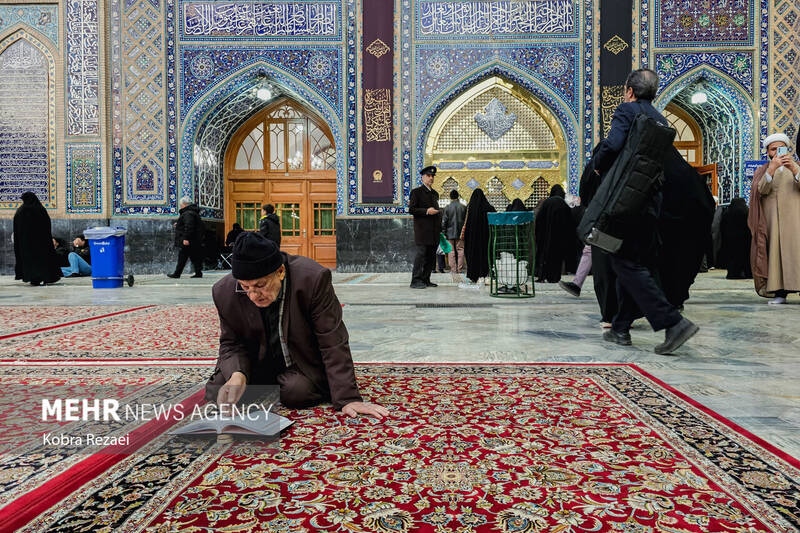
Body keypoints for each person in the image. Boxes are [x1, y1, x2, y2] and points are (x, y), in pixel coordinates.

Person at [206, 232, 389, 419]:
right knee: (219, 389)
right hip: (256, 362)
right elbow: (231, 343)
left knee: (297, 393)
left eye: (260, 285)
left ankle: (282, 384)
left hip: (299, 361)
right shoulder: (224, 292)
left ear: (280, 272)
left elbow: (332, 338)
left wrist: (347, 398)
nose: (253, 296)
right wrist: (238, 374)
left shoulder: (312, 279)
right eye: (245, 288)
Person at [593, 68, 698, 355]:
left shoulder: (627, 111)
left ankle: (673, 322)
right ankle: (621, 328)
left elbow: (612, 145)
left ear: (629, 91)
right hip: (651, 203)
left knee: (624, 262)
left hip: (627, 202)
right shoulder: (661, 118)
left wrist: (598, 164)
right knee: (634, 262)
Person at [748, 133, 800, 304]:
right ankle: (780, 293)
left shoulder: (796, 166)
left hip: (795, 221)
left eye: (781, 148)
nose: (777, 152)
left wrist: (795, 170)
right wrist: (771, 169)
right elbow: (761, 190)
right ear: (768, 152)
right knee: (776, 257)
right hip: (773, 223)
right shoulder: (762, 170)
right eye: (773, 149)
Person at [13, 192, 61, 286]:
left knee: (30, 262)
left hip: (26, 244)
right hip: (41, 243)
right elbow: (47, 226)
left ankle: (33, 278)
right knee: (42, 260)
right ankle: (45, 277)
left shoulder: (21, 211)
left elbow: (17, 229)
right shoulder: (40, 209)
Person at [534, 184, 575, 283]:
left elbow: (539, 220)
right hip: (560, 237)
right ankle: (554, 277)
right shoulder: (564, 204)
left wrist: (539, 234)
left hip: (545, 236)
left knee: (545, 254)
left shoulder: (547, 202)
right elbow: (569, 223)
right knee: (557, 256)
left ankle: (542, 275)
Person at [408, 166, 441, 289]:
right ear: (423, 177)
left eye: (432, 176)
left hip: (434, 231)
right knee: (421, 255)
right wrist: (426, 211)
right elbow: (412, 209)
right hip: (422, 230)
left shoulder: (434, 193)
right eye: (428, 175)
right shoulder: (416, 192)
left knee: (431, 257)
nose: (431, 178)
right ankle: (415, 280)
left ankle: (426, 279)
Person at [462, 188, 496, 285]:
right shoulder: (488, 208)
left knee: (474, 255)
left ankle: (474, 275)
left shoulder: (470, 208)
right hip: (486, 239)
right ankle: (486, 274)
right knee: (485, 255)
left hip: (473, 240)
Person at [168, 197, 204, 279]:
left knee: (182, 257)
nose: (180, 206)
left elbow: (189, 226)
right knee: (194, 257)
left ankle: (177, 274)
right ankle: (198, 273)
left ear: (184, 204)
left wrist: (186, 238)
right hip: (194, 239)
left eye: (181, 205)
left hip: (188, 240)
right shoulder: (193, 212)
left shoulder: (187, 213)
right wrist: (179, 224)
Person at [720, 198, 752, 279]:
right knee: (746, 258)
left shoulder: (727, 213)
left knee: (732, 258)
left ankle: (733, 273)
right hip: (745, 240)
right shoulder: (747, 212)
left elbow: (722, 227)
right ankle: (747, 273)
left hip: (730, 240)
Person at [442, 189, 467, 275]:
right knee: (460, 250)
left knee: (451, 251)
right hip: (461, 233)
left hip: (449, 233)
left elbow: (444, 221)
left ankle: (453, 270)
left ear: (450, 197)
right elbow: (466, 221)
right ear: (458, 196)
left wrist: (444, 232)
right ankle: (459, 269)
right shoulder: (463, 207)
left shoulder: (447, 208)